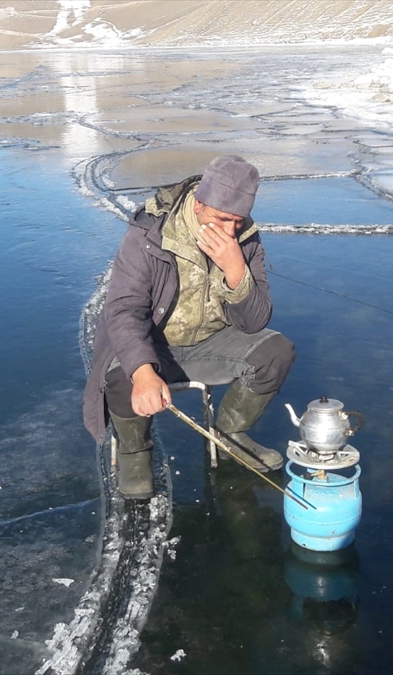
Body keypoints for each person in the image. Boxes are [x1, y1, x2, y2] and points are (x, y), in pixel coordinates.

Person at [82, 155, 296, 499]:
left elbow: (255, 321)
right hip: (153, 343)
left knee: (276, 352)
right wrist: (144, 372)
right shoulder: (149, 232)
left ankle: (231, 434)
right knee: (121, 377)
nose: (228, 231)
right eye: (220, 219)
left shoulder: (246, 238)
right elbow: (123, 310)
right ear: (198, 205)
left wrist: (236, 270)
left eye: (237, 222)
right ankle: (134, 452)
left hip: (210, 342)